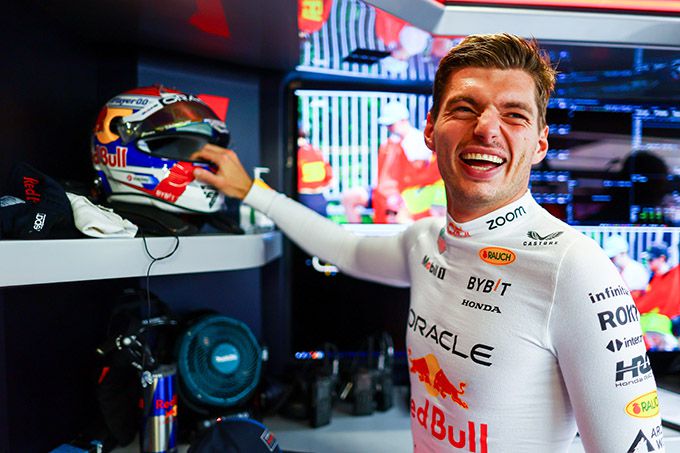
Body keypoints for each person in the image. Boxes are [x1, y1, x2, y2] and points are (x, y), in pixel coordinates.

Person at [191, 34, 663, 452]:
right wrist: (251, 190)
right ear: (431, 129)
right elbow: (344, 249)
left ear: (540, 144)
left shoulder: (575, 269)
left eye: (514, 114)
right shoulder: (425, 241)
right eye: (465, 108)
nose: (487, 128)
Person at [636, 242, 680, 319]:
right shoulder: (653, 278)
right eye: (646, 259)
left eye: (650, 259)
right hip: (656, 319)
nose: (648, 262)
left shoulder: (675, 275)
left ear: (662, 258)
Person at [602, 234, 650, 298]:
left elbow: (637, 296)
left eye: (613, 257)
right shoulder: (616, 270)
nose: (611, 260)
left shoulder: (637, 270)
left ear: (623, 253)